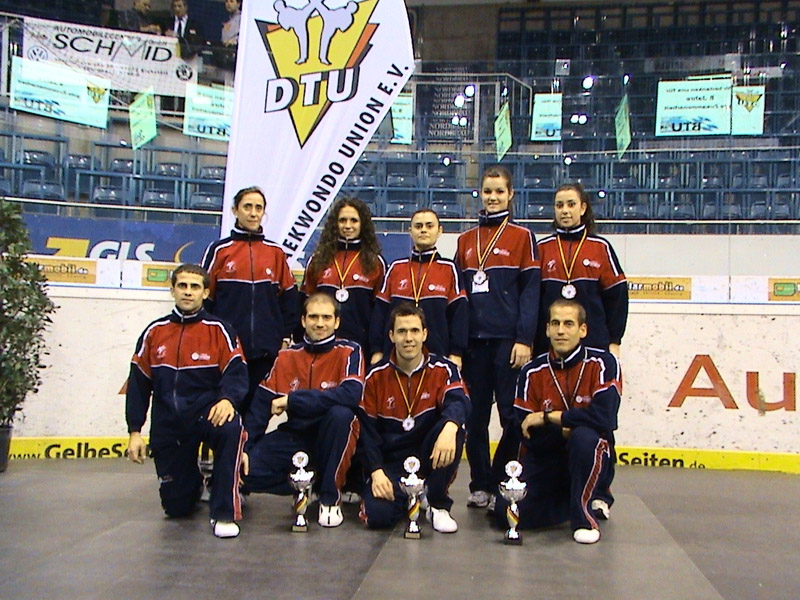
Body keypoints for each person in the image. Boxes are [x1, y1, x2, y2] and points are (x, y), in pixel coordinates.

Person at [125, 264, 248, 538]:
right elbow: (138, 384)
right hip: (169, 423)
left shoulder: (220, 329)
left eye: (195, 287)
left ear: (205, 292)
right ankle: (193, 484)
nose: (188, 292)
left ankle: (224, 513)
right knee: (176, 507)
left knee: (231, 428)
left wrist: (228, 400)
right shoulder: (153, 333)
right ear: (172, 291)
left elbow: (237, 373)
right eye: (182, 286)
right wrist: (135, 431)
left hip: (207, 414)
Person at [494, 298, 621, 544]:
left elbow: (605, 418)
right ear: (547, 329)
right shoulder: (532, 370)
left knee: (585, 438)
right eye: (555, 324)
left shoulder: (604, 363)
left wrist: (550, 418)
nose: (561, 330)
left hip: (587, 453)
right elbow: (524, 427)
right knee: (505, 514)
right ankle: (570, 500)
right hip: (546, 456)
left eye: (568, 324)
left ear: (582, 330)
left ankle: (584, 517)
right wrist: (569, 428)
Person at [455, 165, 540, 510]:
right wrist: (458, 345)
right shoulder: (465, 240)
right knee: (474, 417)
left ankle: (505, 478)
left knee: (509, 416)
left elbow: (531, 292)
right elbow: (459, 297)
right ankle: (480, 484)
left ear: (510, 195)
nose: (492, 197)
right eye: (487, 191)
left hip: (507, 341)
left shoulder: (523, 237)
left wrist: (524, 338)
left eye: (499, 192)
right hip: (474, 343)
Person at [242, 292, 364, 528]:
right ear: (303, 320)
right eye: (314, 317)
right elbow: (259, 407)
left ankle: (330, 498)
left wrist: (292, 401)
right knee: (244, 472)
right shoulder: (287, 356)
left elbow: (350, 394)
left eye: (326, 317)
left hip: (333, 438)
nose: (320, 323)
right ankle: (309, 483)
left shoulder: (350, 351)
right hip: (294, 436)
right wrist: (244, 448)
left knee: (342, 414)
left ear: (337, 322)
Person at [358, 303, 470, 533]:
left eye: (414, 331)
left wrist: (450, 428)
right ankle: (412, 498)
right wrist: (376, 471)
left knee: (454, 427)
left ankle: (437, 503)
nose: (408, 338)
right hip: (391, 463)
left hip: (428, 455)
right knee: (377, 517)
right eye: (401, 331)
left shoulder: (444, 369)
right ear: (391, 335)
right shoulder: (374, 377)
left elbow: (459, 401)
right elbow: (366, 433)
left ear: (425, 334)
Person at [201, 186, 298, 417]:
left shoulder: (275, 252)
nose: (253, 213)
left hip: (265, 351)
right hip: (229, 350)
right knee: (228, 411)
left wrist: (284, 337)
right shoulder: (219, 250)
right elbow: (205, 298)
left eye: (258, 208)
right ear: (235, 210)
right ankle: (228, 454)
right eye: (247, 207)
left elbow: (289, 299)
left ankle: (251, 455)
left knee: (257, 414)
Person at [534, 182, 628, 357]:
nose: (565, 211)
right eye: (559, 205)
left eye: (571, 204)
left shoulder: (601, 247)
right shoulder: (542, 248)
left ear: (583, 208)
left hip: (593, 343)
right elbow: (531, 301)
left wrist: (615, 340)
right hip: (549, 345)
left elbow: (618, 297)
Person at [369, 208, 467, 368]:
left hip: (438, 354)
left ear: (439, 231)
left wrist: (456, 352)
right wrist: (377, 349)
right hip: (396, 354)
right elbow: (380, 313)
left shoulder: (450, 269)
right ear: (410, 231)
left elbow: (459, 315)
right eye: (418, 226)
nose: (423, 230)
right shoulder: (395, 268)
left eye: (429, 226)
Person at [300, 197, 385, 358]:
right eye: (342, 220)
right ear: (334, 224)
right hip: (320, 346)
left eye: (354, 221)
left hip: (361, 348)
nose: (347, 226)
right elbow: (304, 305)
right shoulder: (318, 259)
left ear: (363, 225)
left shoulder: (375, 262)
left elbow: (379, 315)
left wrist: (376, 349)